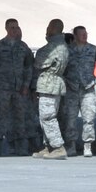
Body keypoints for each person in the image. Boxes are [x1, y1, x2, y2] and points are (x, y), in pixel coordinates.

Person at [0, 19, 35, 156]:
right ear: (6, 28)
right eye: (12, 27)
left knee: (20, 118)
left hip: (19, 89)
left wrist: (26, 85)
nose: (14, 30)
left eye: (16, 27)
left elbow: (29, 67)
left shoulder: (23, 47)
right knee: (1, 117)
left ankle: (19, 146)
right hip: (3, 88)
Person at [32, 20, 70, 159]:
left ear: (54, 29)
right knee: (46, 116)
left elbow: (38, 62)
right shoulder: (64, 46)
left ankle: (58, 146)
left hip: (49, 84)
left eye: (48, 28)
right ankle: (48, 146)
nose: (46, 30)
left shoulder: (53, 47)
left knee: (47, 116)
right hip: (55, 84)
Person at [62, 26, 96, 156]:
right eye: (82, 34)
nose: (85, 36)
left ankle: (87, 146)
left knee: (89, 117)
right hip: (71, 89)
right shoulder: (68, 50)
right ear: (75, 35)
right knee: (70, 118)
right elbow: (60, 67)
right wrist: (64, 80)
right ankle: (71, 146)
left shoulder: (93, 49)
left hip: (87, 89)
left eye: (86, 33)